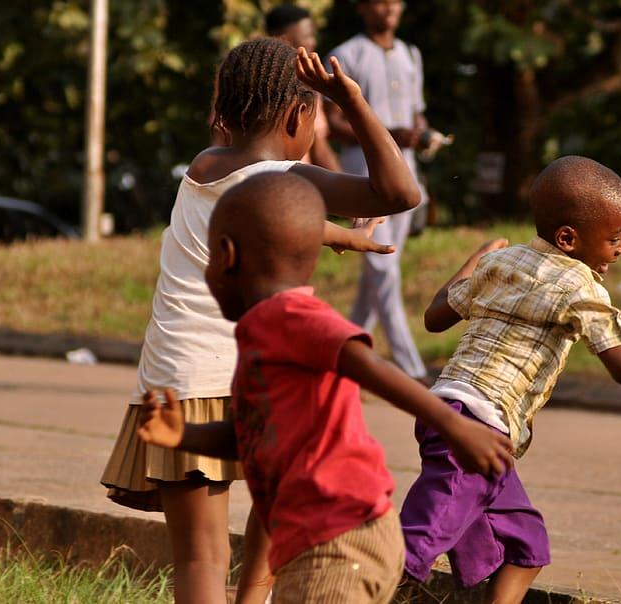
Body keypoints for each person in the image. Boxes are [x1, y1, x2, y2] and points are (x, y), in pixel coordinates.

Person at [101, 38, 423, 604]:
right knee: (278, 510)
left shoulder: (207, 166)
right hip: (254, 370)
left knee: (199, 556)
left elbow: (257, 216)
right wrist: (352, 100)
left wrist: (339, 234)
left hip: (180, 373)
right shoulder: (283, 177)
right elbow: (400, 191)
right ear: (302, 113)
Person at [400, 155, 621, 603]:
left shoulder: (503, 262)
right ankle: (342, 585)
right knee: (412, 548)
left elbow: (435, 317)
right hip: (476, 427)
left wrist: (476, 260)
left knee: (526, 548)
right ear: (569, 239)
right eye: (615, 238)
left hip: (453, 414)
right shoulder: (581, 288)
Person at [136, 171, 514, 604]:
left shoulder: (289, 315)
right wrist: (183, 435)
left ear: (225, 255)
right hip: (323, 544)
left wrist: (452, 424)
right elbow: (252, 434)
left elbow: (363, 361)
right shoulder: (262, 332)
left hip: (338, 542)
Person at [326, 0, 445, 383]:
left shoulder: (411, 54)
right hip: (364, 174)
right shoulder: (346, 54)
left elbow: (416, 113)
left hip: (405, 176)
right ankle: (411, 369)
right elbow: (335, 123)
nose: (389, 8)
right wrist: (394, 135)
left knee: (376, 279)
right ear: (361, 7)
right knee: (383, 267)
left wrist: (423, 136)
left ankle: (337, 359)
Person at [265, 4, 341, 171]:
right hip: (281, 183)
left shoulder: (310, 82)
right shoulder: (246, 81)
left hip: (298, 183)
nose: (312, 42)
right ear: (282, 39)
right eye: (307, 36)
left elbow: (319, 145)